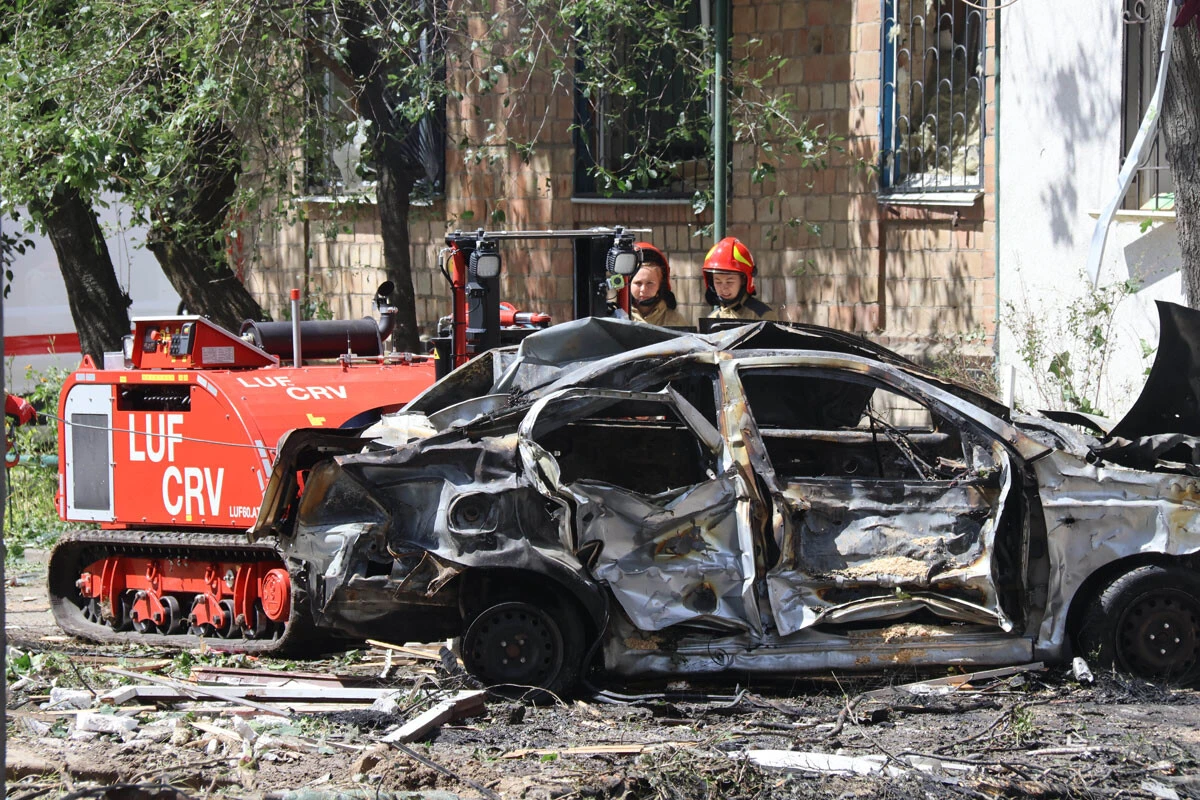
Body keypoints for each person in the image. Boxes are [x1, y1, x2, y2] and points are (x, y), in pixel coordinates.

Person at [703, 236, 776, 321]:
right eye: (718, 282)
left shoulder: (763, 316)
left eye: (729, 281)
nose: (723, 288)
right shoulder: (712, 318)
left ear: (743, 280)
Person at [629, 242, 690, 327]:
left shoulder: (676, 321)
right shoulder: (617, 318)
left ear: (660, 285)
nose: (643, 289)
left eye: (650, 283)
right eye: (638, 283)